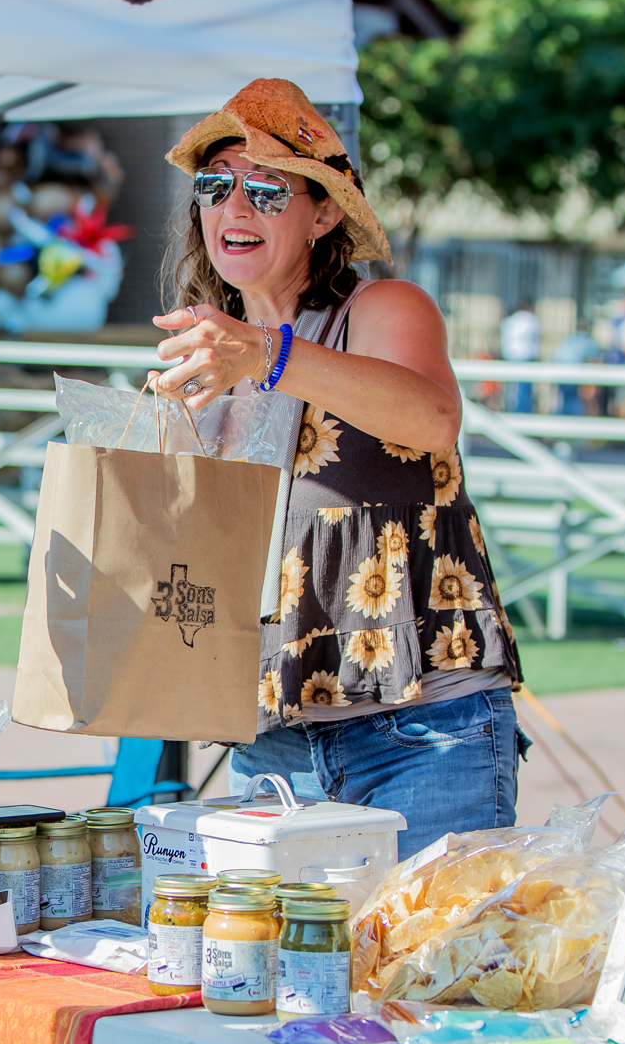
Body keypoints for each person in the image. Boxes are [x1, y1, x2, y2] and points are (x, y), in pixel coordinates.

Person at [149, 78, 525, 859]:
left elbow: (433, 419)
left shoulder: (380, 310)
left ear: (324, 214)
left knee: (417, 975)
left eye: (267, 189)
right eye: (215, 186)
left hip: (421, 730)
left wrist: (266, 353)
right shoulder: (204, 360)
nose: (234, 207)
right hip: (273, 741)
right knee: (287, 979)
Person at [498, 302, 542, 413]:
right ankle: (523, 412)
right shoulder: (531, 319)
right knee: (525, 390)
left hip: (510, 356)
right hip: (526, 357)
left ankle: (510, 410)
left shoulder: (510, 321)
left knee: (511, 388)